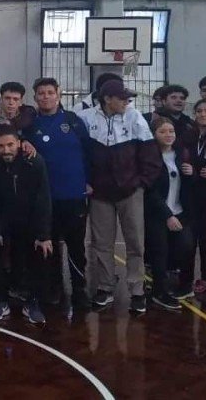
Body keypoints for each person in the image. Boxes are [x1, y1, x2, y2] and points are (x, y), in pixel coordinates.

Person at [78, 79, 162, 314]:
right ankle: (105, 286)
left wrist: (141, 184)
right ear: (107, 99)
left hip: (130, 192)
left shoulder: (135, 118)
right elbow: (80, 154)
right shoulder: (85, 118)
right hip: (99, 194)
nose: (127, 101)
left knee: (135, 243)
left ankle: (137, 289)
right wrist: (86, 182)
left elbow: (150, 154)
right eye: (122, 98)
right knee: (101, 243)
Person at [25, 78, 91, 310]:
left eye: (50, 92)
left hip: (74, 195)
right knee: (48, 245)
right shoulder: (30, 125)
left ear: (58, 95)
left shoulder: (73, 121)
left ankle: (79, 289)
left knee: (76, 246)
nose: (45, 96)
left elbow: (89, 153)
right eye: (41, 93)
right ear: (35, 97)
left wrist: (89, 181)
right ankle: (53, 288)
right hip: (45, 198)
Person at [0, 125, 53, 324]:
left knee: (41, 251)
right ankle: (1, 300)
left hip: (29, 218)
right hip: (2, 217)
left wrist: (43, 234)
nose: (6, 150)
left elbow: (43, 198)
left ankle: (33, 302)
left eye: (10, 145)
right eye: (1, 146)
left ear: (19, 144)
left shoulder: (34, 161)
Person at [145, 117, 195, 311]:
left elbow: (188, 186)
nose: (168, 135)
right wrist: (167, 215)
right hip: (158, 214)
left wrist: (192, 173)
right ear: (154, 135)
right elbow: (151, 191)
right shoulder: (151, 158)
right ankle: (159, 291)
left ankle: (179, 284)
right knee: (159, 251)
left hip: (180, 211)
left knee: (186, 245)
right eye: (163, 131)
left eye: (171, 131)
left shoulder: (181, 154)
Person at [180, 98, 206, 306]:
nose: (203, 114)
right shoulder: (189, 135)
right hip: (191, 197)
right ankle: (185, 283)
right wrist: (187, 168)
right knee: (188, 243)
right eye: (199, 111)